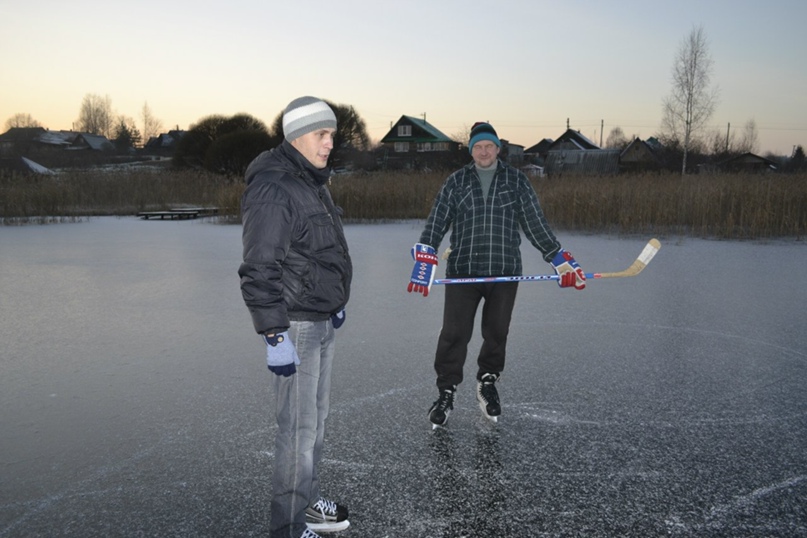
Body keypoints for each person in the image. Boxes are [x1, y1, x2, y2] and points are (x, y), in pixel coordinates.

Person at [407, 121, 587, 429]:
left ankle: (487, 381)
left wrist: (559, 259)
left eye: (488, 146)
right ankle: (446, 392)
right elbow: (436, 222)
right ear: (471, 150)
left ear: (498, 149)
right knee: (454, 334)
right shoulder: (456, 182)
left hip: (504, 272)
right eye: (477, 147)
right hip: (463, 272)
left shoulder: (516, 181)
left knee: (496, 332)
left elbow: (535, 223)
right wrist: (425, 258)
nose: (483, 151)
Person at [239, 96, 352, 538]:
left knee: (315, 425)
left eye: (332, 135)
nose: (329, 144)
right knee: (298, 434)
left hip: (320, 318)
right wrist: (273, 334)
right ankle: (287, 528)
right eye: (322, 135)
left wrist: (334, 300)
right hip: (297, 327)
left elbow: (320, 250)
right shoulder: (274, 187)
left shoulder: (311, 181)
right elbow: (260, 265)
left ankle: (305, 506)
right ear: (297, 135)